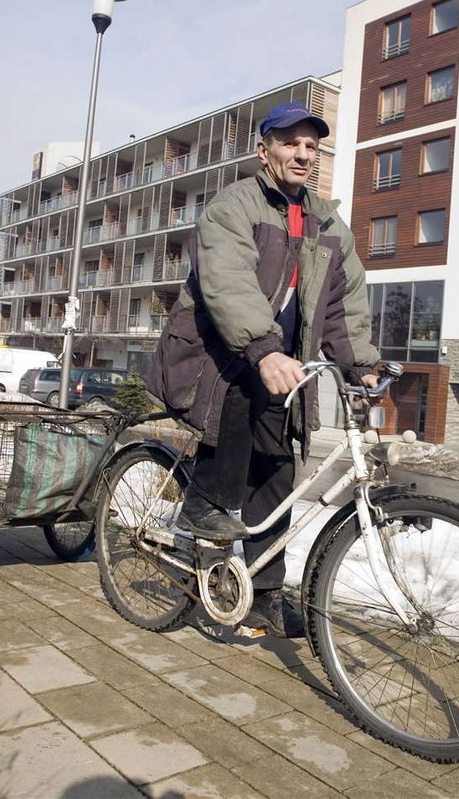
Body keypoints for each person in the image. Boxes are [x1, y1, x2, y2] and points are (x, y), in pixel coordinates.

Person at [149, 102, 379, 637]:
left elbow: (345, 302)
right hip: (215, 351)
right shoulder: (235, 205)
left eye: (311, 146)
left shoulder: (326, 221)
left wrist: (361, 363)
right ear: (265, 151)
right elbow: (228, 281)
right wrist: (264, 348)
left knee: (277, 467)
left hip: (276, 361)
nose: (303, 154)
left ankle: (263, 594)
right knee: (238, 397)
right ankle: (201, 506)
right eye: (291, 143)